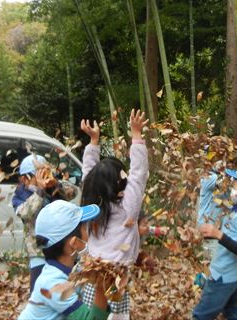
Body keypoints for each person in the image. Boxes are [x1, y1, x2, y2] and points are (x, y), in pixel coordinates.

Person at [79, 109, 149, 320]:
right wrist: (136, 136)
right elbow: (139, 174)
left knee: (94, 313)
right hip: (116, 277)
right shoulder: (128, 207)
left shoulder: (92, 206)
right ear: (121, 183)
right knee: (116, 317)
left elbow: (88, 174)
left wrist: (93, 142)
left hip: (93, 274)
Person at [192, 166, 237, 320]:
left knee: (200, 315)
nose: (231, 188)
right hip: (234, 273)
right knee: (230, 310)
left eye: (234, 186)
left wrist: (217, 234)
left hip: (223, 275)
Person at [17, 200, 109, 320]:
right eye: (85, 228)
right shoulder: (53, 284)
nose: (89, 233)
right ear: (74, 243)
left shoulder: (69, 271)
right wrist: (102, 288)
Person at [13, 153, 79, 292]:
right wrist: (40, 192)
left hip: (60, 248)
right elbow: (26, 213)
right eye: (37, 175)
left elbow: (73, 192)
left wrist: (56, 184)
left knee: (64, 288)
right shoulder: (19, 195)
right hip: (38, 252)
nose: (43, 178)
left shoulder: (54, 190)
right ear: (25, 179)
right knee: (38, 290)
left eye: (45, 173)